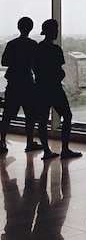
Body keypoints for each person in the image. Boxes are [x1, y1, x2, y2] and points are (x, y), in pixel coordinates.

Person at [33, 19, 82, 160]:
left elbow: (35, 67)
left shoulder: (37, 48)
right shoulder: (55, 50)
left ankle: (47, 151)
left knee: (42, 118)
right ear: (54, 31)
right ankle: (65, 149)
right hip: (54, 87)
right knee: (67, 115)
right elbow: (58, 71)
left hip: (40, 87)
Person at [0, 17, 44, 154]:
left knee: (7, 114)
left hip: (13, 81)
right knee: (30, 114)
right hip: (27, 82)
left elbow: (4, 62)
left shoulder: (11, 44)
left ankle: (2, 142)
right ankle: (29, 142)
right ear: (30, 28)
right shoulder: (32, 45)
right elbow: (36, 64)